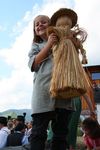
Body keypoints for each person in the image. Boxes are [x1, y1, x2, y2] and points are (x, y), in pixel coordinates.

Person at [28, 14, 75, 150]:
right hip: (43, 93)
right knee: (38, 133)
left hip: (63, 93)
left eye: (43, 22)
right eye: (37, 24)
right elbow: (33, 65)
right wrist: (49, 44)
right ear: (35, 30)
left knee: (61, 134)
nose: (40, 25)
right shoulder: (36, 46)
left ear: (52, 25)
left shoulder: (64, 43)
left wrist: (71, 38)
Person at [47, 8, 90, 100]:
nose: (64, 26)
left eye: (67, 24)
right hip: (61, 54)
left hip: (72, 55)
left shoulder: (73, 35)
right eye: (61, 24)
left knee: (72, 69)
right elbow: (53, 44)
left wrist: (84, 56)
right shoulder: (56, 33)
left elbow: (80, 46)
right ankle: (60, 85)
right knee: (61, 69)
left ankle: (75, 84)